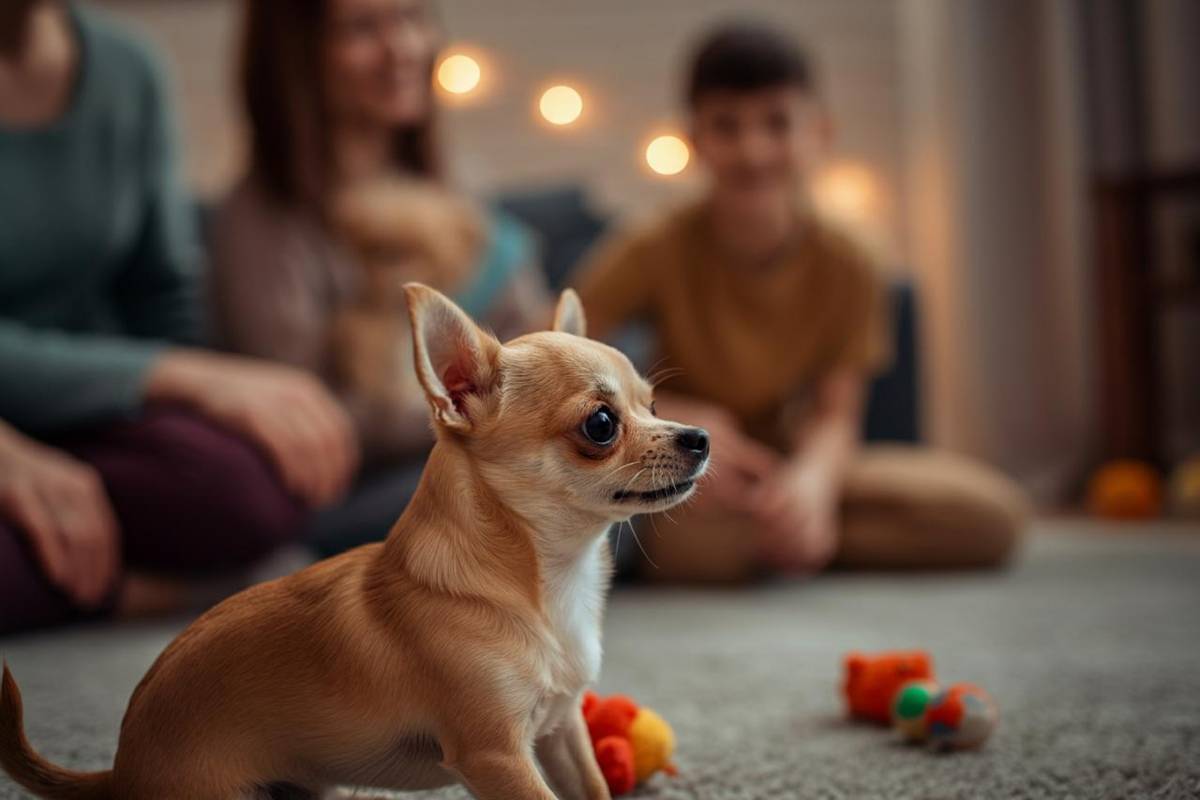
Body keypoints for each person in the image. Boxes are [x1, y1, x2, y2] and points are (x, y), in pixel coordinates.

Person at [574, 22, 1028, 582]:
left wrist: (813, 484)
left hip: (792, 463)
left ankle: (798, 529)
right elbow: (563, 348)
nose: (753, 149)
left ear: (820, 132)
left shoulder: (854, 259)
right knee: (675, 534)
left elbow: (837, 417)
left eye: (777, 124)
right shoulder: (651, 245)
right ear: (695, 139)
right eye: (727, 126)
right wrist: (666, 414)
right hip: (685, 465)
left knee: (989, 517)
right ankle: (797, 537)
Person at [0, 0, 358, 634]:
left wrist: (197, 409)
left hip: (92, 419)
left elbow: (160, 293)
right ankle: (129, 590)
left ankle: (73, 567)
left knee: (248, 487)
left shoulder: (127, 69)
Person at [210, 0, 550, 557]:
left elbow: (532, 330)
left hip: (484, 436)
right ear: (298, 56)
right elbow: (310, 424)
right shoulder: (260, 222)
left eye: (413, 17)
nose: (403, 49)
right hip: (366, 483)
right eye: (363, 28)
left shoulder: (457, 182)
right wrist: (479, 407)